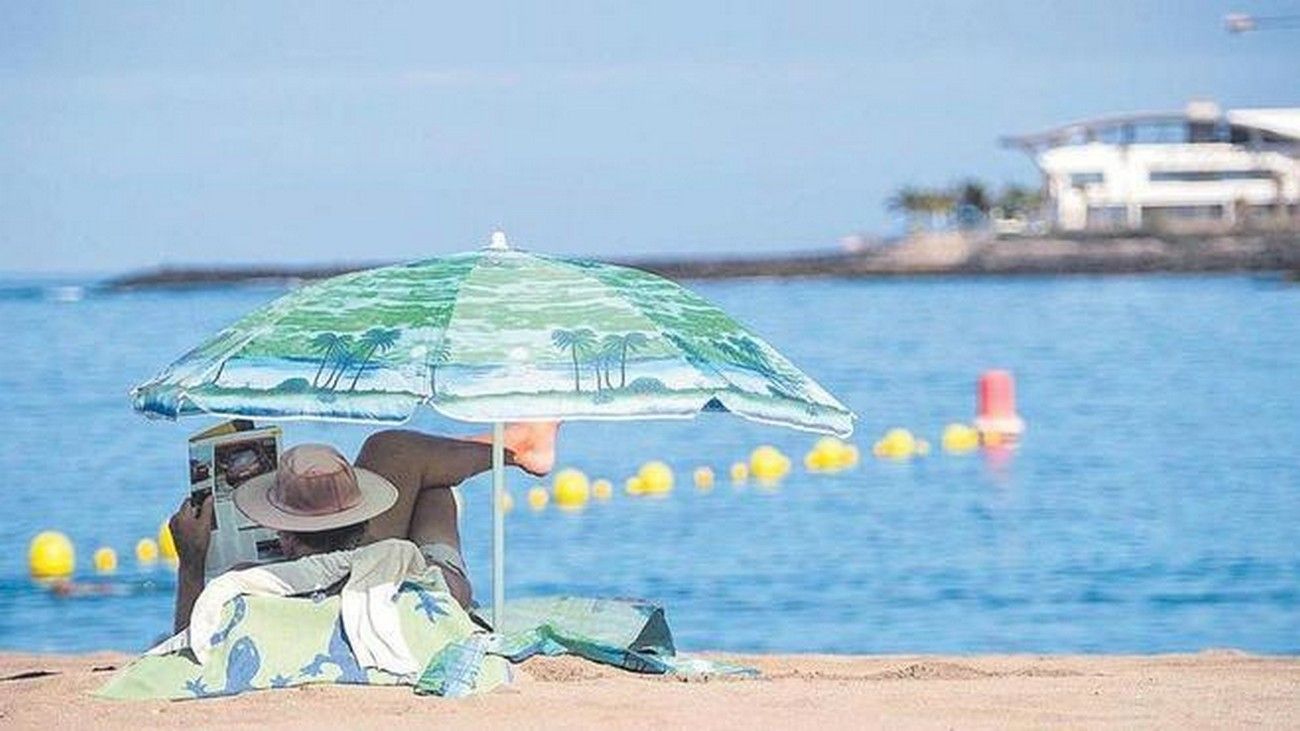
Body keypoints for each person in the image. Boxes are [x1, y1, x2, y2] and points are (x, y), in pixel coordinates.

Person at [168, 422, 559, 634]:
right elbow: (456, 593)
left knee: (405, 463)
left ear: (282, 534)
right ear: (366, 518)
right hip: (403, 580)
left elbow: (187, 643)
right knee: (412, 468)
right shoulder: (406, 570)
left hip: (331, 584)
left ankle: (517, 444)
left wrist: (191, 563)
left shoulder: (244, 583)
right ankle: (514, 445)